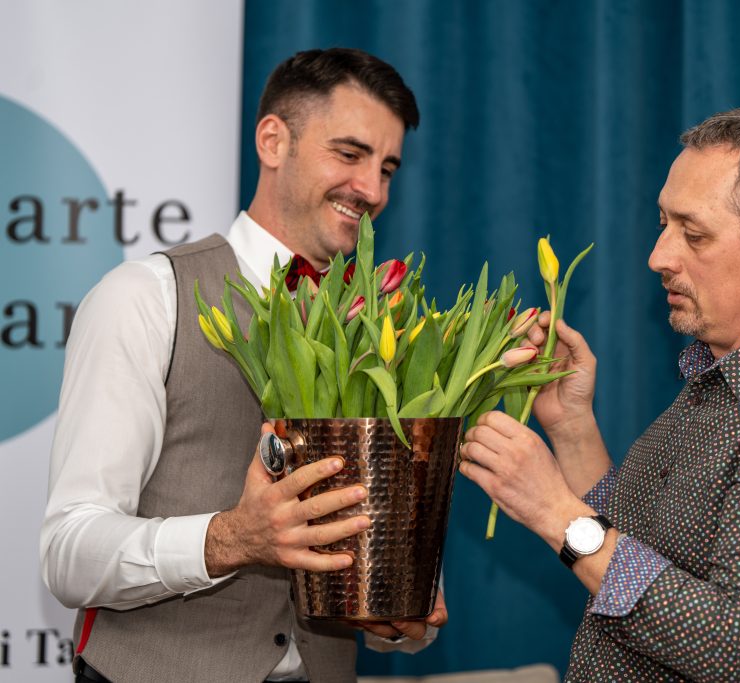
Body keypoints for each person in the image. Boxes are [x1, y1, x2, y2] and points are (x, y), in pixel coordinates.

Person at [40, 48, 445, 683]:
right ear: (273, 141)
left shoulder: (380, 329)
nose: (373, 190)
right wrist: (230, 538)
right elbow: (68, 553)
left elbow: (387, 580)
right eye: (349, 154)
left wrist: (399, 612)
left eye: (387, 168)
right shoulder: (146, 297)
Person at [460, 107, 740, 681]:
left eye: (694, 234)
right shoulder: (717, 379)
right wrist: (571, 425)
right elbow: (634, 548)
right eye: (663, 224)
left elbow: (734, 644)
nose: (658, 257)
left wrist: (555, 514)